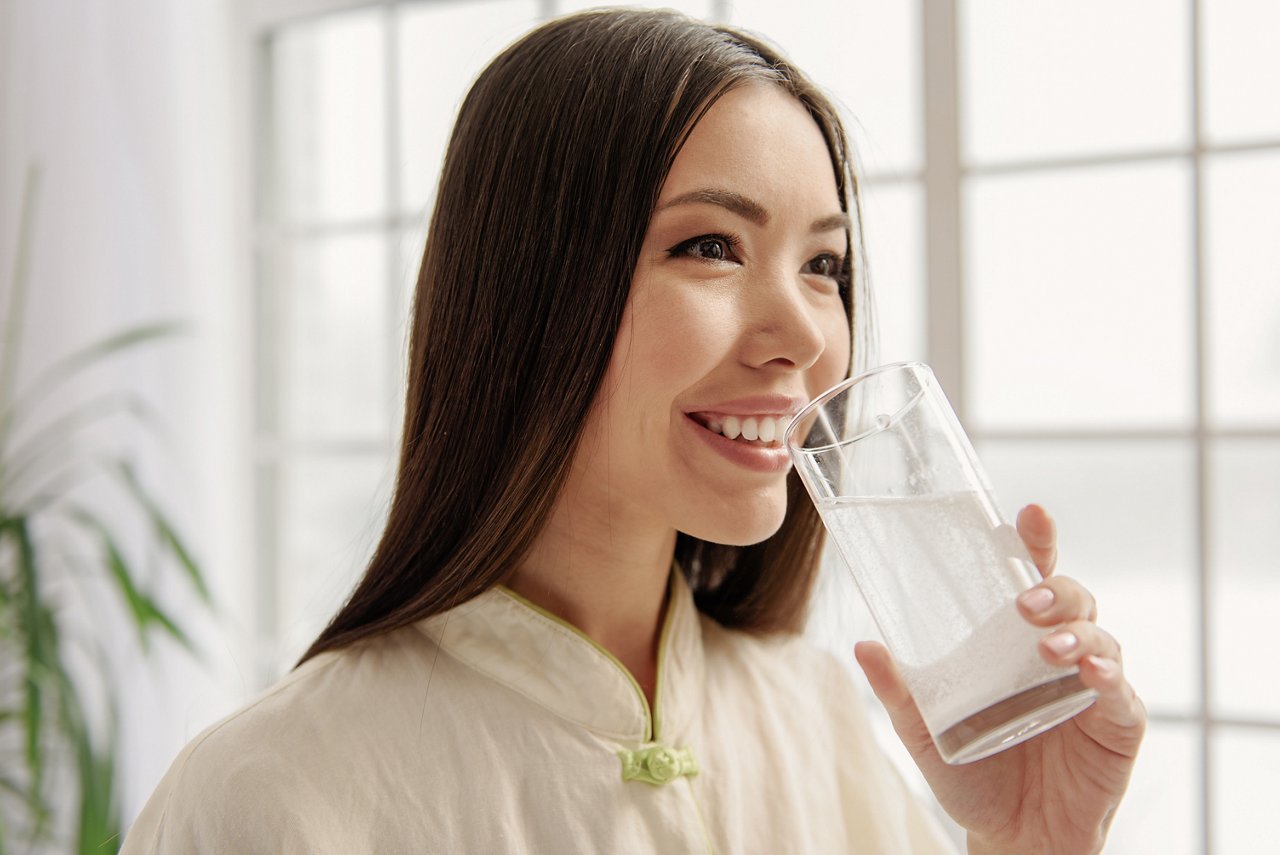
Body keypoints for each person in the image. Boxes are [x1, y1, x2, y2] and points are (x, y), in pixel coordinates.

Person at [122, 9, 1145, 853]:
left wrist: (1032, 841)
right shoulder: (270, 796)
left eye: (823, 266)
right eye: (710, 246)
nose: (800, 331)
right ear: (531, 292)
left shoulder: (819, 721)